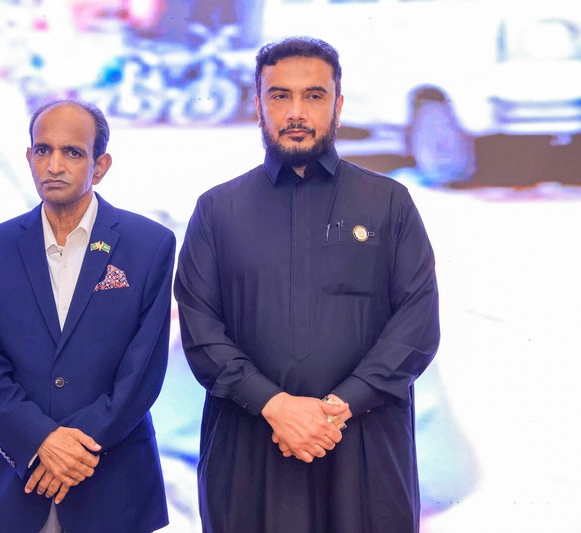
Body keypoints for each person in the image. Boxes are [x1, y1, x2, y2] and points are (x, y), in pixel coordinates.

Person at [174, 37, 440, 533]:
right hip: (248, 450)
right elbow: (201, 329)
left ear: (338, 106)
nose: (296, 111)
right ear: (258, 106)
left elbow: (417, 324)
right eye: (280, 95)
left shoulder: (389, 202)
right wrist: (275, 406)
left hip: (365, 450)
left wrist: (336, 410)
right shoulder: (216, 210)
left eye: (314, 96)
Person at [0, 99, 174, 532]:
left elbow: (142, 372)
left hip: (115, 485)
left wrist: (71, 451)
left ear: (100, 166)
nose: (54, 165)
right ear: (29, 157)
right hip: (17, 484)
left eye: (72, 152)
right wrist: (40, 441)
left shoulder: (149, 244)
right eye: (43, 150)